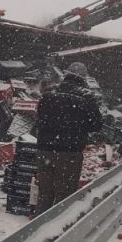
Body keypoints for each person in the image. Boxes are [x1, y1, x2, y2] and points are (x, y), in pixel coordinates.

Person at [34, 64, 103, 215]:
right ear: (83, 78)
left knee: (45, 194)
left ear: (66, 75)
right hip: (69, 153)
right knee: (64, 196)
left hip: (44, 151)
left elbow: (39, 119)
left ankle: (36, 230)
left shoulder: (49, 93)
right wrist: (78, 124)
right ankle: (57, 234)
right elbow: (97, 125)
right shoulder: (86, 96)